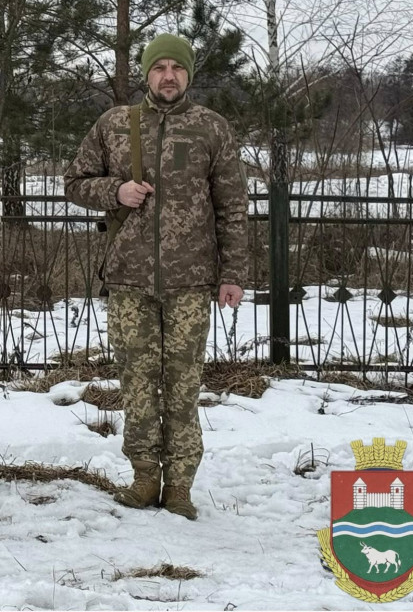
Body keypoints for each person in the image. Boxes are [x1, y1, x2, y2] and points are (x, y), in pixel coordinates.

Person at [63, 33, 248, 520]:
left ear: (189, 74)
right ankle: (144, 477)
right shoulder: (116, 125)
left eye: (177, 67)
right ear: (146, 73)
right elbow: (74, 183)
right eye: (160, 67)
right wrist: (114, 191)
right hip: (128, 279)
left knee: (183, 383)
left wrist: (232, 272)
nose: (169, 75)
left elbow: (232, 207)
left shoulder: (212, 128)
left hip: (191, 281)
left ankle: (181, 485)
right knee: (138, 381)